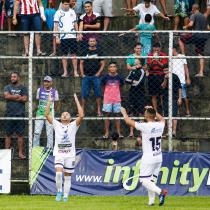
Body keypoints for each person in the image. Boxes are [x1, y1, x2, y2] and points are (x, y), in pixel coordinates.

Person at [121, 106, 167, 206]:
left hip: (149, 157)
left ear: (147, 115)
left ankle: (161, 192)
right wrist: (153, 109)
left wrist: (124, 112)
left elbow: (128, 121)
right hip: (158, 156)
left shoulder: (145, 126)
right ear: (154, 116)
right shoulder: (160, 125)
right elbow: (162, 119)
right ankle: (151, 202)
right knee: (151, 181)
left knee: (143, 180)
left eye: (145, 112)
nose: (144, 114)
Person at [45, 93, 84, 202]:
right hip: (59, 154)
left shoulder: (73, 125)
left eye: (67, 114)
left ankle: (65, 196)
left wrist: (76, 99)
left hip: (70, 155)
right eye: (63, 114)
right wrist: (49, 100)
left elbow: (81, 115)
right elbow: (46, 114)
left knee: (67, 177)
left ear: (70, 118)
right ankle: (59, 191)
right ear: (61, 118)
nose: (65, 115)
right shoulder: (56, 124)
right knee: (58, 173)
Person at [178, 3, 208, 77]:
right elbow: (208, 27)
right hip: (203, 37)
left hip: (196, 36)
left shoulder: (193, 15)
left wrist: (185, 26)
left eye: (192, 9)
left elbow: (191, 24)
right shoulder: (204, 17)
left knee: (180, 39)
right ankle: (201, 72)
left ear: (194, 9)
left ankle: (183, 55)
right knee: (201, 53)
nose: (191, 10)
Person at [4, 72, 28, 159]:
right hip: (9, 114)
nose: (12, 78)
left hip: (20, 114)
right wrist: (17, 96)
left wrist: (13, 96)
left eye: (14, 77)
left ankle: (20, 153)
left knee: (20, 135)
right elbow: (6, 96)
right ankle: (6, 153)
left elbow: (25, 98)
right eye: (11, 77)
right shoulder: (7, 87)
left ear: (18, 78)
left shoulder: (23, 88)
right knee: (8, 134)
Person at [80, 37, 105, 116]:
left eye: (93, 41)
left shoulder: (99, 51)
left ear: (96, 42)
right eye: (90, 41)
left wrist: (98, 73)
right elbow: (81, 63)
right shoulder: (85, 51)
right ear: (88, 42)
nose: (92, 42)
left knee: (98, 94)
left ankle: (98, 110)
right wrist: (82, 74)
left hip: (96, 77)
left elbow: (103, 63)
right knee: (84, 94)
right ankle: (82, 111)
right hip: (86, 76)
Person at [54, 0, 79, 77]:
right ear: (62, 4)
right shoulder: (58, 13)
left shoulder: (72, 12)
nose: (66, 6)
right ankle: (65, 72)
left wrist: (78, 34)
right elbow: (56, 26)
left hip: (72, 36)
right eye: (65, 4)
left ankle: (75, 72)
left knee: (74, 54)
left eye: (68, 4)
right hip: (63, 37)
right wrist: (57, 37)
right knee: (64, 55)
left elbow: (75, 24)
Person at [126, 43, 146, 138]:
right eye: (136, 63)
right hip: (132, 92)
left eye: (138, 63)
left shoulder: (142, 71)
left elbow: (138, 82)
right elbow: (127, 80)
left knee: (141, 112)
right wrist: (132, 80)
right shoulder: (132, 70)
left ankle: (141, 132)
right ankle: (131, 132)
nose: (136, 64)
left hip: (140, 92)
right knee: (132, 112)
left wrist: (132, 81)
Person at [33, 76, 59, 148]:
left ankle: (49, 150)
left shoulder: (54, 91)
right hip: (40, 113)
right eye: (45, 81)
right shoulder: (39, 90)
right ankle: (35, 148)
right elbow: (38, 100)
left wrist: (53, 111)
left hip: (50, 114)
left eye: (48, 81)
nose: (46, 83)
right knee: (37, 132)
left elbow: (56, 103)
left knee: (49, 133)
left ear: (51, 83)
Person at [101, 61, 124, 139]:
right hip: (107, 99)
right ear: (108, 68)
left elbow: (121, 86)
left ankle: (118, 132)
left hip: (117, 99)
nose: (112, 68)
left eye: (114, 66)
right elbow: (102, 87)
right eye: (111, 66)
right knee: (106, 115)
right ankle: (107, 132)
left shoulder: (120, 77)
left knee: (117, 115)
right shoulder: (105, 77)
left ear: (116, 68)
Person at [147, 42, 168, 112]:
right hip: (152, 75)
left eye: (157, 49)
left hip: (161, 75)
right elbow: (149, 67)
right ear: (153, 49)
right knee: (153, 95)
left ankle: (163, 110)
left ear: (160, 49)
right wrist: (153, 60)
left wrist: (158, 60)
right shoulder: (150, 55)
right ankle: (155, 112)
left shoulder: (163, 55)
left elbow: (164, 66)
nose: (156, 50)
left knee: (162, 94)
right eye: (155, 49)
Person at [172, 45, 191, 116]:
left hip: (182, 79)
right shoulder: (170, 58)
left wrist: (188, 78)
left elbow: (186, 68)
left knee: (184, 96)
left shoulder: (182, 56)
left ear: (174, 49)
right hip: (174, 80)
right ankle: (177, 112)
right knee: (175, 96)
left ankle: (188, 111)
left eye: (170, 49)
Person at [162, 73, 182, 138]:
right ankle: (169, 131)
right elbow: (163, 86)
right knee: (166, 115)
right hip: (165, 98)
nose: (166, 72)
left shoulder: (175, 76)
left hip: (174, 97)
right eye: (164, 70)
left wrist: (180, 97)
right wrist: (165, 79)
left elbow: (179, 87)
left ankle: (174, 131)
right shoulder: (163, 76)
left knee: (174, 114)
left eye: (167, 70)